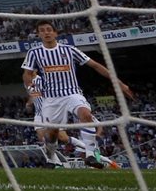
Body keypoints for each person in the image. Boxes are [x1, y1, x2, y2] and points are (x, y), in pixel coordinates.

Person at [21, 19, 132, 170]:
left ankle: (91, 155)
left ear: (55, 33)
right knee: (52, 134)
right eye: (42, 30)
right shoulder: (34, 53)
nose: (46, 32)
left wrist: (119, 83)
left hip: (72, 93)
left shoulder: (69, 50)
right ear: (38, 34)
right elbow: (27, 74)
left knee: (85, 114)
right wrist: (30, 87)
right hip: (51, 99)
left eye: (48, 29)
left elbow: (95, 65)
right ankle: (52, 156)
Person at [27, 73, 70, 166]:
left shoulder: (41, 79)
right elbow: (32, 96)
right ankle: (56, 162)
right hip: (38, 114)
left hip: (49, 112)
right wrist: (29, 103)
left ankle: (88, 149)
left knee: (63, 138)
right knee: (42, 139)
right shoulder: (28, 83)